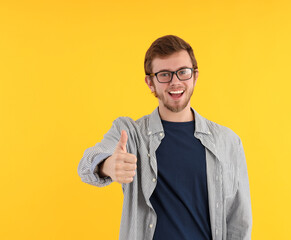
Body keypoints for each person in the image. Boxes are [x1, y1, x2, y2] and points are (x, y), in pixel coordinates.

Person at [78, 35, 252, 240]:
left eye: (183, 72)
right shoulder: (131, 134)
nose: (175, 82)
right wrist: (108, 165)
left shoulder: (228, 142)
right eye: (164, 75)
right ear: (150, 82)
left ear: (195, 76)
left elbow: (239, 223)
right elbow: (86, 164)